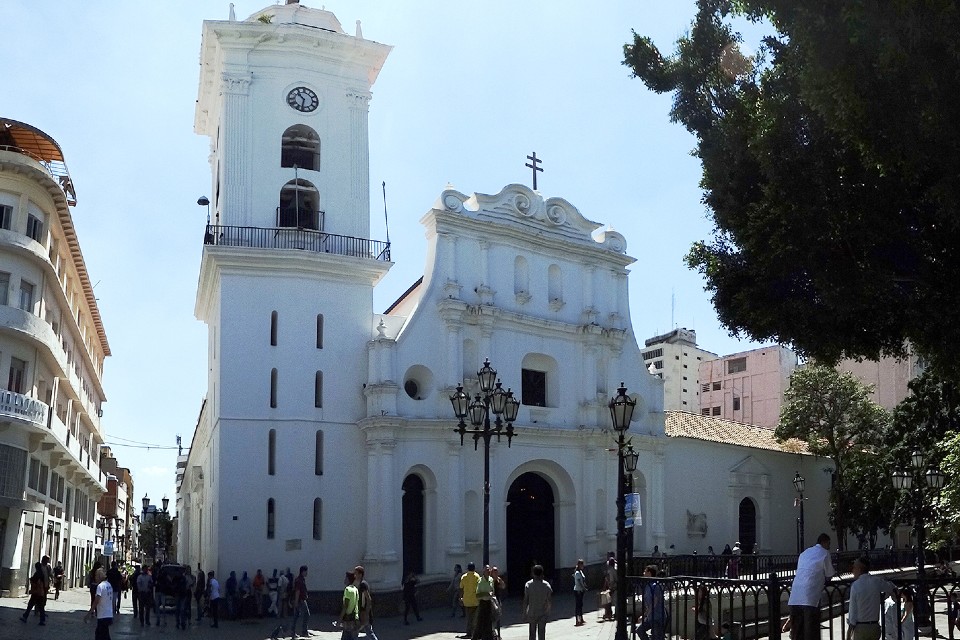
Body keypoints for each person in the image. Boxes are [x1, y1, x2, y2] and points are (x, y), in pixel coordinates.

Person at [788, 533, 836, 640]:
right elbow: (829, 574)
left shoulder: (804, 553)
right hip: (810, 598)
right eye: (829, 543)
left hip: (795, 597)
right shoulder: (824, 553)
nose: (829, 546)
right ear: (825, 542)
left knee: (797, 633)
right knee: (811, 633)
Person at [847, 557, 896, 640]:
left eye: (854, 568)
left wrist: (849, 632)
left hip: (860, 627)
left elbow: (853, 611)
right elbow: (890, 586)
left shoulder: (855, 586)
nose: (852, 571)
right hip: (874, 626)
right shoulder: (876, 581)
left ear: (859, 569)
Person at [636, 565, 668, 640]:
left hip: (657, 617)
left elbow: (654, 602)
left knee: (658, 637)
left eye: (645, 571)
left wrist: (645, 615)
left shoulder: (655, 586)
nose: (643, 573)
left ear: (649, 573)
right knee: (640, 630)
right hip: (651, 617)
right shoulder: (648, 585)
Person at [523, 564, 553, 640]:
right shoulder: (547, 585)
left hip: (532, 613)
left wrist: (524, 612)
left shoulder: (528, 585)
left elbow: (526, 600)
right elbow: (549, 600)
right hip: (542, 613)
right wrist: (548, 611)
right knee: (542, 634)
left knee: (532, 634)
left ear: (533, 573)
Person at [354, 566, 379, 640]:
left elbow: (368, 599)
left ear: (360, 574)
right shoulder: (362, 584)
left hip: (363, 612)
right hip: (362, 611)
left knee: (357, 631)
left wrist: (366, 613)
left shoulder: (363, 585)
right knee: (368, 631)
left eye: (356, 573)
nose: (355, 575)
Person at [91, 567, 115, 640]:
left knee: (99, 636)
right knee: (105, 635)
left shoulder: (100, 586)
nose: (95, 577)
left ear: (99, 576)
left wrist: (90, 612)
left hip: (102, 616)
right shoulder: (109, 585)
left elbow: (96, 600)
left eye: (96, 575)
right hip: (109, 614)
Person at [473, 565, 495, 640]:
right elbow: (477, 594)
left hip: (489, 602)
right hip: (483, 602)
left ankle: (489, 637)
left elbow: (492, 591)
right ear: (483, 571)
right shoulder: (480, 581)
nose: (488, 572)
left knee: (489, 621)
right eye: (487, 570)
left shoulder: (491, 579)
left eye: (489, 570)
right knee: (480, 621)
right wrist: (486, 594)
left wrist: (491, 594)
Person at [460, 562, 481, 638]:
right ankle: (474, 632)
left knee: (469, 618)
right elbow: (479, 588)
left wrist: (461, 598)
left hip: (467, 600)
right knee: (475, 618)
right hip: (475, 600)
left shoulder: (464, 577)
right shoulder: (477, 576)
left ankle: (469, 632)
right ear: (474, 568)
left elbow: (461, 588)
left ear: (467, 568)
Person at [339, 570, 360, 640]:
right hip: (353, 617)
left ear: (348, 579)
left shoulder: (347, 590)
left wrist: (340, 619)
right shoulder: (355, 589)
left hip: (348, 618)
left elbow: (345, 606)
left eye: (346, 578)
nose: (344, 579)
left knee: (346, 636)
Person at [291, 565, 309, 639]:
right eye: (306, 571)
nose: (307, 573)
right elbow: (297, 591)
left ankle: (293, 632)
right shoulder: (299, 580)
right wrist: (296, 602)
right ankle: (304, 631)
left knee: (296, 616)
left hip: (301, 600)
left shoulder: (301, 579)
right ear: (303, 571)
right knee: (306, 614)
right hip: (300, 601)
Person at [491, 566, 507, 640]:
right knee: (492, 618)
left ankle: (498, 634)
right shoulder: (490, 580)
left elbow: (503, 587)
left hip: (497, 600)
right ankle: (493, 633)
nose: (496, 573)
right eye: (494, 571)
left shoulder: (498, 580)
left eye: (497, 571)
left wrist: (500, 581)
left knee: (498, 618)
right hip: (491, 600)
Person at [573, 559, 587, 626]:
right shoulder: (577, 573)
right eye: (582, 564)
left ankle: (581, 618)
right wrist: (583, 587)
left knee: (581, 605)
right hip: (578, 590)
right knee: (578, 605)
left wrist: (584, 586)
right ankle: (577, 620)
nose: (583, 566)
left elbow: (582, 580)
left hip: (581, 590)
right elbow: (579, 582)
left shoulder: (581, 572)